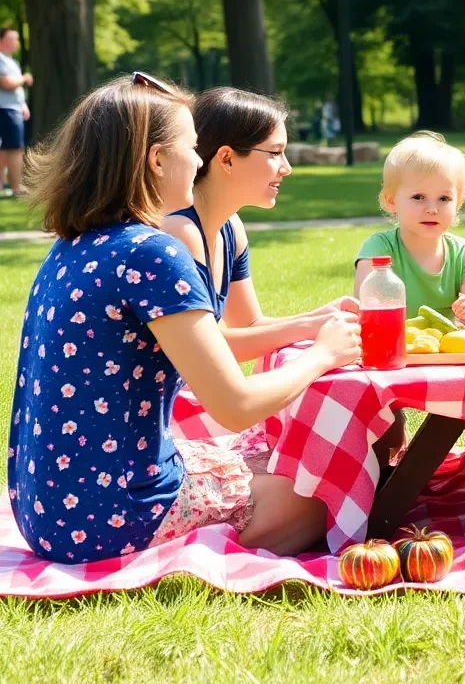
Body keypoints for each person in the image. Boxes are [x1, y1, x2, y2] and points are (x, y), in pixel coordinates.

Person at [7, 75, 361, 564]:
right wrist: (323, 354)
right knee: (327, 495)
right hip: (108, 517)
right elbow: (234, 405)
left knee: (276, 460)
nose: (198, 162)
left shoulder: (72, 246)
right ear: (157, 160)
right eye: (193, 148)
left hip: (44, 511)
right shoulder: (154, 252)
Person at [161, 86, 403, 467]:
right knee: (318, 478)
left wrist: (316, 319)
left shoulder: (229, 228)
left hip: (202, 403)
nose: (286, 166)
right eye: (275, 153)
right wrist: (312, 334)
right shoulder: (180, 232)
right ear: (226, 158)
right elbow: (222, 344)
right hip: (170, 416)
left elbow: (250, 324)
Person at [354, 131, 465, 333]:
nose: (432, 209)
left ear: (458, 203)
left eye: (444, 199)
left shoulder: (463, 253)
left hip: (443, 355)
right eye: (419, 197)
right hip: (390, 348)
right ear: (391, 201)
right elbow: (364, 314)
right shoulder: (378, 249)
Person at [0, 27, 32, 197]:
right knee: (14, 148)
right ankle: (16, 187)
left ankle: (5, 186)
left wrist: (23, 105)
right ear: (2, 40)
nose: (16, 43)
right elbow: (6, 83)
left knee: (6, 149)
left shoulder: (11, 61)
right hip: (5, 109)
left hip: (13, 108)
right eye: (13, 38)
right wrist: (24, 79)